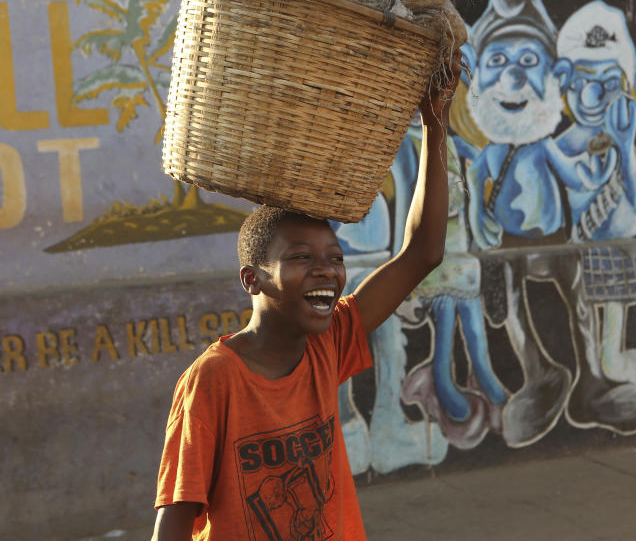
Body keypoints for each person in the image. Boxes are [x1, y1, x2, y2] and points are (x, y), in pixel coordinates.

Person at [151, 53, 461, 541]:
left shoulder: (328, 341)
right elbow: (173, 523)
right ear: (252, 280)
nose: (327, 271)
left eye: (334, 257)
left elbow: (423, 252)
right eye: (301, 258)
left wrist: (435, 121)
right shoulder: (213, 380)